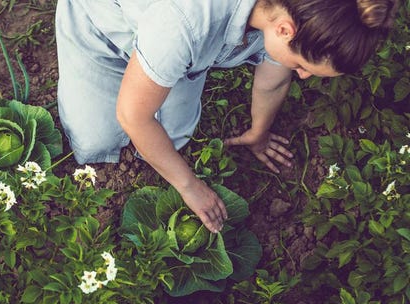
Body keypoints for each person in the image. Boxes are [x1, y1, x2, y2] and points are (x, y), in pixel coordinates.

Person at [55, 0, 399, 233]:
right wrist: (190, 187)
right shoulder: (184, 21)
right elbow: (133, 116)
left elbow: (273, 76)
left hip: (176, 51)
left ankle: (163, 74)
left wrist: (258, 132)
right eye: (302, 67)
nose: (303, 77)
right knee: (95, 143)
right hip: (104, 32)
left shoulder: (294, 12)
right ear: (284, 30)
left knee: (173, 138)